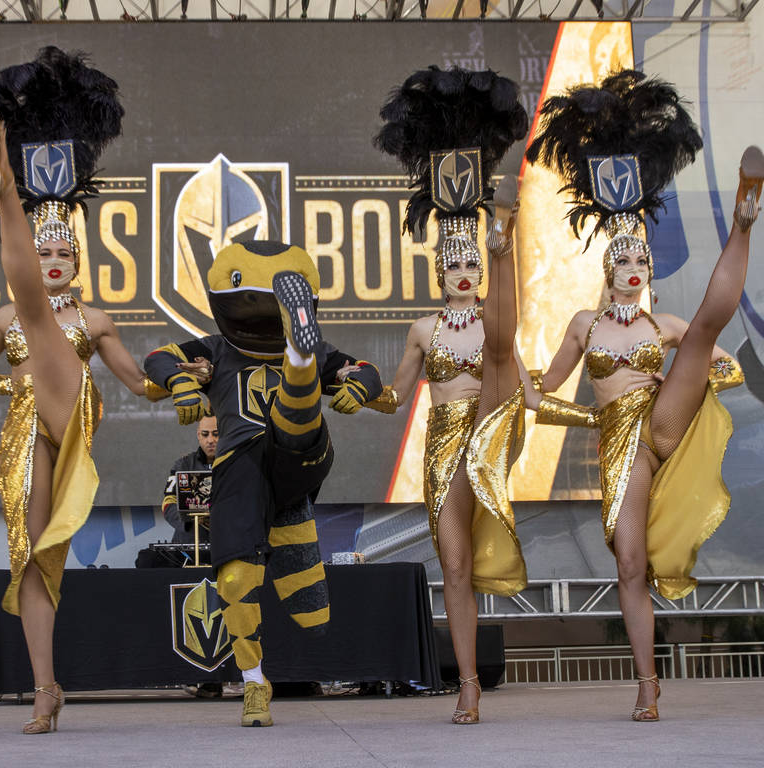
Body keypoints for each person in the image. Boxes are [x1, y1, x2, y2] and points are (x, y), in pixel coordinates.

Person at [525, 69, 761, 721]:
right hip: (622, 448)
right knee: (630, 568)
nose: (638, 268)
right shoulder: (585, 326)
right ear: (610, 268)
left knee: (704, 328)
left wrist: (682, 379)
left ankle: (744, 220)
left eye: (645, 264)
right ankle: (647, 683)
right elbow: (543, 395)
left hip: (666, 423)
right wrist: (539, 389)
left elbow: (728, 370)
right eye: (628, 261)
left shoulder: (667, 327)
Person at [0, 46, 142, 734]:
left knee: (32, 310)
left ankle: (3, 186)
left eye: (63, 254)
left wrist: (185, 380)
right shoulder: (4, 320)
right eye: (44, 255)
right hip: (24, 423)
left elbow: (134, 378)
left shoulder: (94, 318)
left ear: (77, 259)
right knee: (34, 559)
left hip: (71, 417)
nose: (55, 261)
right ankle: (46, 687)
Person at [145, 239, 383, 727]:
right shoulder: (214, 350)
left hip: (298, 455)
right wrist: (182, 382)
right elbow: (157, 358)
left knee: (294, 421)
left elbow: (368, 370)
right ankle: (254, 684)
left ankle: (299, 360)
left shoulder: (324, 353)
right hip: (241, 473)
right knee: (234, 580)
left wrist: (360, 385)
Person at [374, 66, 531, 725]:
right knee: (456, 568)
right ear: (439, 272)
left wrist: (500, 250)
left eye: (472, 264)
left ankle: (506, 235)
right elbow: (397, 394)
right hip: (443, 443)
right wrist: (360, 394)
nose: (461, 273)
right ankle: (466, 682)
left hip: (490, 424)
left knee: (499, 343)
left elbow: (514, 373)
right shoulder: (422, 329)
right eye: (455, 265)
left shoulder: (493, 321)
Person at [162, 415, 218, 545]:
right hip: (190, 540)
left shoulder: (237, 465)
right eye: (205, 434)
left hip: (229, 541)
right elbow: (168, 503)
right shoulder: (183, 464)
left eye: (216, 434)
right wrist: (191, 521)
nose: (210, 440)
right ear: (198, 435)